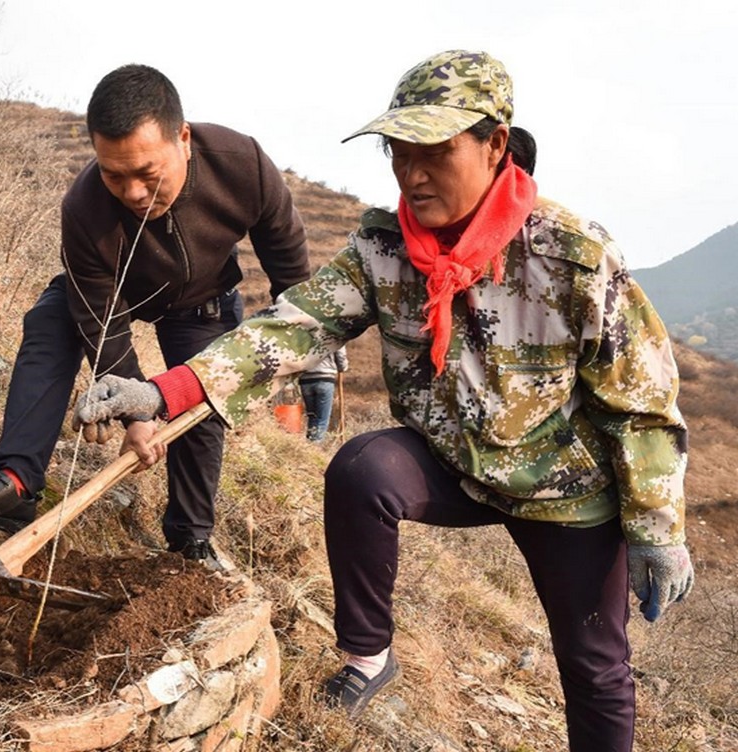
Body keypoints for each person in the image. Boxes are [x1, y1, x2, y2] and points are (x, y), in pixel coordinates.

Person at [72, 50, 694, 750]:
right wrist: (161, 391)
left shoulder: (572, 256)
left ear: (495, 145)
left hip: (565, 490)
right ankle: (369, 658)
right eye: (399, 152)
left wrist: (658, 527)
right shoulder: (383, 249)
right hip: (454, 463)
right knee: (363, 469)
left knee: (595, 667)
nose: (412, 173)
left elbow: (640, 403)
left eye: (435, 152)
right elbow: (290, 327)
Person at [0, 64, 310, 568]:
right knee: (49, 323)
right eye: (114, 175)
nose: (132, 193)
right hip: (113, 296)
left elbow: (288, 261)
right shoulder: (84, 207)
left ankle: (190, 540)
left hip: (202, 302)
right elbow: (100, 319)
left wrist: (306, 338)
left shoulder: (242, 164)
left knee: (202, 393)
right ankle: (15, 483)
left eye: (148, 174)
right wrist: (135, 413)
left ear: (183, 140)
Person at [299, 346, 348, 441]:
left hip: (305, 380)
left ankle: (310, 443)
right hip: (325, 379)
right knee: (321, 419)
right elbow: (341, 356)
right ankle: (315, 446)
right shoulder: (335, 336)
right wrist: (342, 367)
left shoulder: (302, 336)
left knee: (312, 417)